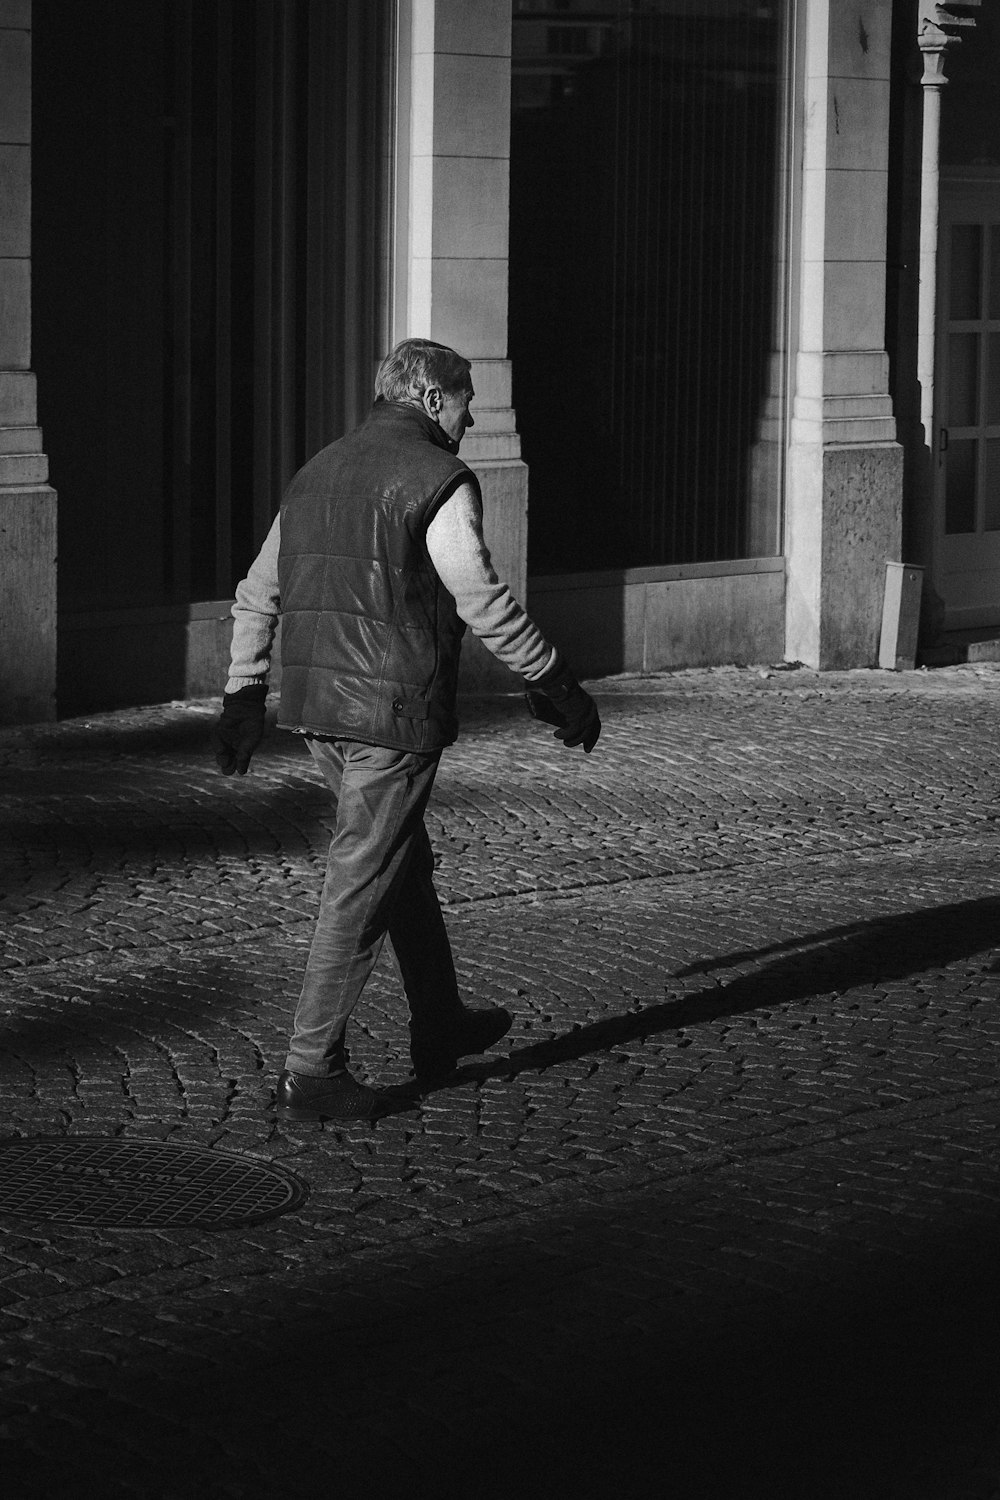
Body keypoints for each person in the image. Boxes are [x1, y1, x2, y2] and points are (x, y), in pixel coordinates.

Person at [211, 338, 600, 1121]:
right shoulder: (438, 479)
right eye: (464, 400)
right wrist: (554, 680)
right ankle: (311, 1070)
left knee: (400, 865)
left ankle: (441, 1019)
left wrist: (244, 692)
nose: (470, 416)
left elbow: (257, 590)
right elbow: (481, 598)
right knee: (361, 885)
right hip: (391, 716)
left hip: (320, 711)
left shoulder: (316, 470)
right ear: (430, 400)